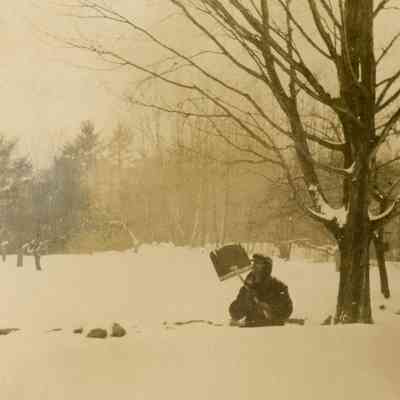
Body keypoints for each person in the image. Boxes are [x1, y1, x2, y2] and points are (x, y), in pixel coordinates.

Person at [229, 254, 293, 327]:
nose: (254, 267)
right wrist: (245, 301)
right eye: (254, 263)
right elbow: (235, 314)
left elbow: (286, 310)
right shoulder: (247, 288)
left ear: (266, 268)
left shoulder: (278, 286)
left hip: (272, 329)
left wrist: (269, 307)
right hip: (249, 329)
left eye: (258, 264)